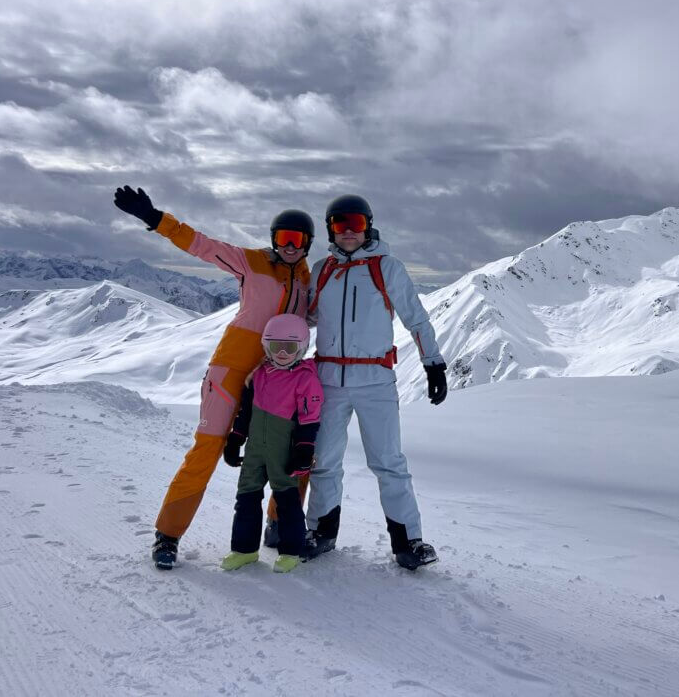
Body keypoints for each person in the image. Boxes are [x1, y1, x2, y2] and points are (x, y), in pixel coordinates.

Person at [112, 185, 313, 569]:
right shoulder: (249, 261)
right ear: (274, 240)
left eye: (298, 239)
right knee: (207, 448)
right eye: (284, 238)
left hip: (277, 378)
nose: (290, 245)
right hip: (231, 369)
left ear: (308, 244)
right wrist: (156, 220)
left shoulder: (308, 285)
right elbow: (201, 245)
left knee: (291, 452)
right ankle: (168, 536)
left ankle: (279, 524)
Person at [301, 193, 448, 570]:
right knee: (324, 462)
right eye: (340, 224)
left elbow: (415, 317)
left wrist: (433, 363)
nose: (349, 231)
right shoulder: (322, 269)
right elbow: (308, 318)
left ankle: (407, 543)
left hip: (375, 381)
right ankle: (321, 533)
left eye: (357, 223)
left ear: (369, 226)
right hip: (329, 379)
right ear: (330, 228)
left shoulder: (387, 267)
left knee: (388, 462)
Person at [221, 313, 322, 574]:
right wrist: (236, 439)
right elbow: (245, 413)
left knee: (287, 502)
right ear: (267, 345)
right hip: (255, 450)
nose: (283, 353)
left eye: (290, 347)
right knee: (246, 497)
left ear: (301, 347)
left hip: (283, 451)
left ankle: (291, 551)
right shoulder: (259, 374)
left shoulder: (305, 378)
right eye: (276, 346)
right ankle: (244, 550)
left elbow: (309, 419)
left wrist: (303, 449)